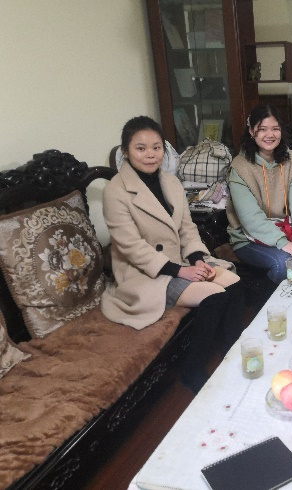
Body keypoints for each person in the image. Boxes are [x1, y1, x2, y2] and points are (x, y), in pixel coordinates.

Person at [101, 115, 244, 394]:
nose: (150, 154)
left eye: (156, 147)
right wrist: (181, 271)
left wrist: (197, 259)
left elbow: (187, 228)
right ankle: (192, 371)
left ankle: (234, 352)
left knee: (235, 285)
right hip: (144, 274)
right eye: (141, 148)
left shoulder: (170, 182)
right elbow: (132, 247)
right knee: (215, 296)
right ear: (126, 151)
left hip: (179, 262)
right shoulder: (115, 191)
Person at [226, 104, 292, 284]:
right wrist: (281, 242)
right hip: (248, 238)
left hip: (287, 232)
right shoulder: (239, 166)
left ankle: (290, 301)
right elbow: (250, 217)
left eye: (275, 129)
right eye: (262, 129)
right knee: (284, 264)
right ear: (252, 131)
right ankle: (269, 301)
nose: (270, 135)